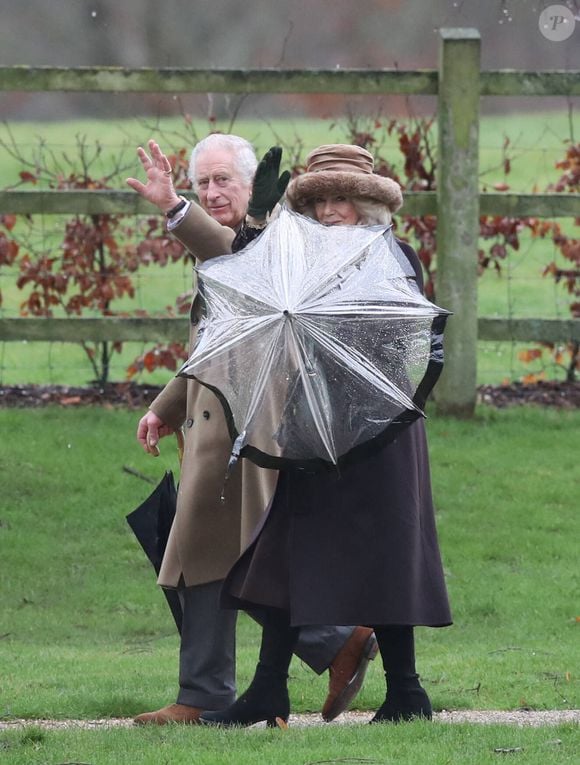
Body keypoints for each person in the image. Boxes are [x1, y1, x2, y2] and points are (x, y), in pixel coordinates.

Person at [126, 135, 378, 725]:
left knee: (221, 553)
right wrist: (166, 405)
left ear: (251, 185)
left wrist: (174, 209)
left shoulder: (273, 242)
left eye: (224, 181)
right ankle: (293, 657)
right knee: (208, 554)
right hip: (215, 418)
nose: (211, 193)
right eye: (202, 183)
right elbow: (211, 347)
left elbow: (233, 258)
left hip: (256, 423)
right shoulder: (231, 247)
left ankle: (314, 646)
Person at [198, 144, 452, 728]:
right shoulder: (292, 254)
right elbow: (253, 280)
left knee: (388, 552)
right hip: (311, 420)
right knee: (287, 549)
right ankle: (267, 692)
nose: (332, 210)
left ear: (367, 204)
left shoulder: (395, 256)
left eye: (343, 198)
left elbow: (391, 337)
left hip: (379, 428)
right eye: (318, 200)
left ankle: (407, 694)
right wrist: (259, 224)